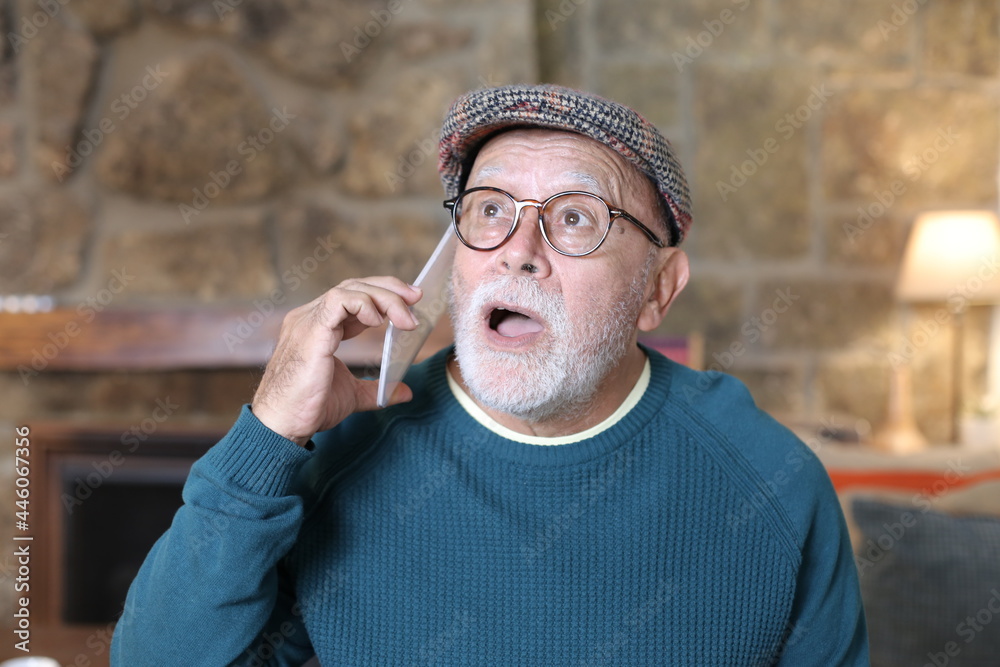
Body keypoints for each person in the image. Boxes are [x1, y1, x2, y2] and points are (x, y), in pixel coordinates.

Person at [111, 84, 869, 665]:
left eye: (575, 216)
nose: (518, 248)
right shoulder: (342, 458)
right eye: (489, 209)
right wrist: (268, 433)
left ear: (659, 289)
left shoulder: (773, 484)